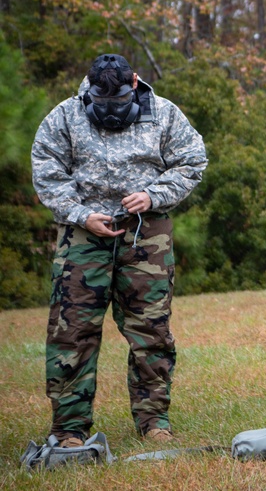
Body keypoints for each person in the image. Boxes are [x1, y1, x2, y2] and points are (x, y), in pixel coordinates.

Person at [31, 53, 207, 447]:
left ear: (136, 82)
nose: (111, 110)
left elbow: (192, 161)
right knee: (72, 330)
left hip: (146, 233)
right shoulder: (64, 116)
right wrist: (80, 213)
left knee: (151, 330)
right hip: (83, 234)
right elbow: (46, 169)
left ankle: (153, 421)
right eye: (103, 103)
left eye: (120, 102)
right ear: (90, 89)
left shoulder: (165, 113)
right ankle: (69, 429)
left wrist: (153, 194)